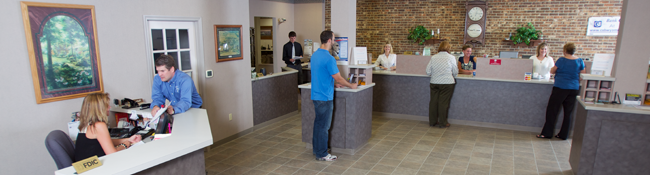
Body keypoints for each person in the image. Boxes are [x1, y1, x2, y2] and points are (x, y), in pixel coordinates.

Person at [311, 30, 357, 161]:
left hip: (316, 95)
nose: (335, 41)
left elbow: (321, 75)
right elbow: (339, 78)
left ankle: (317, 150)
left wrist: (333, 84)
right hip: (325, 98)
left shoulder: (314, 55)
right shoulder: (329, 58)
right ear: (329, 40)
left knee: (318, 125)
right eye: (334, 39)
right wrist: (351, 85)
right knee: (324, 127)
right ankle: (323, 154)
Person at [537, 43, 585, 140]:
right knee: (568, 112)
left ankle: (547, 133)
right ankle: (563, 135)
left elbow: (552, 71)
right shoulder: (579, 61)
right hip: (574, 89)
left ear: (565, 51)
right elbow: (583, 75)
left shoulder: (562, 60)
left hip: (560, 87)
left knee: (552, 110)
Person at [75, 93, 142, 161]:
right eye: (107, 105)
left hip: (85, 167)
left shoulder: (86, 124)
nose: (109, 107)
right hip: (96, 168)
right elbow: (112, 154)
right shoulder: (99, 125)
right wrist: (124, 145)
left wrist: (128, 139)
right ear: (99, 108)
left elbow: (105, 141)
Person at [426, 41, 458, 128]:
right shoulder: (451, 57)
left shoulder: (434, 57)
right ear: (449, 48)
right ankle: (443, 122)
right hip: (447, 82)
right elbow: (455, 72)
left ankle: (432, 122)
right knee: (443, 103)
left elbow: (428, 71)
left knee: (433, 102)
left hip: (434, 82)